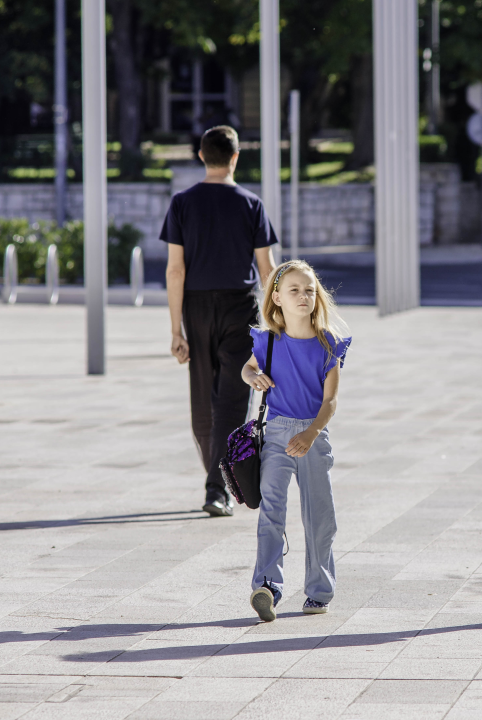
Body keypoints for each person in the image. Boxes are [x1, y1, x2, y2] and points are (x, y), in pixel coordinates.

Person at [162, 125, 278, 517]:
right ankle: (218, 486)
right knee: (232, 398)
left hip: (195, 308)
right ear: (235, 157)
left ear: (200, 156)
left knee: (202, 399)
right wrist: (275, 323)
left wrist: (176, 329)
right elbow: (268, 271)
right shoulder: (251, 204)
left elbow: (175, 271)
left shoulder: (182, 203)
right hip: (239, 309)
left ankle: (216, 479)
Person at [242, 260, 351, 622]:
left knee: (320, 516)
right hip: (275, 433)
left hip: (313, 436)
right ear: (277, 298)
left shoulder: (328, 343)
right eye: (294, 290)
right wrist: (252, 377)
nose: (303, 296)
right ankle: (267, 587)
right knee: (271, 512)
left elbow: (331, 401)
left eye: (309, 290)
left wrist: (310, 433)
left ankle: (319, 591)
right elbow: (249, 366)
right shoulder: (268, 341)